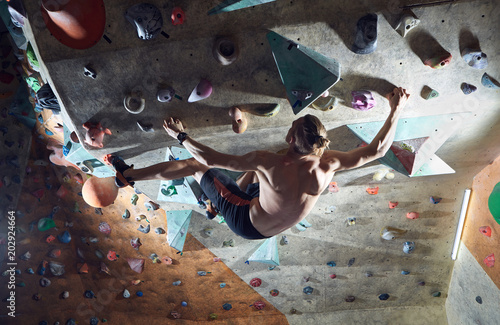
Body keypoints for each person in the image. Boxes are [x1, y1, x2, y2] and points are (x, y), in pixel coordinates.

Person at [110, 87, 410, 240]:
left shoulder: (269, 161)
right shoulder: (328, 164)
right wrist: (397, 108)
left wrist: (181, 136)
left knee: (195, 166)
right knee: (255, 176)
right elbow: (377, 151)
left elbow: (210, 158)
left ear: (292, 139)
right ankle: (214, 204)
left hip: (246, 220)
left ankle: (128, 176)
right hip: (272, 219)